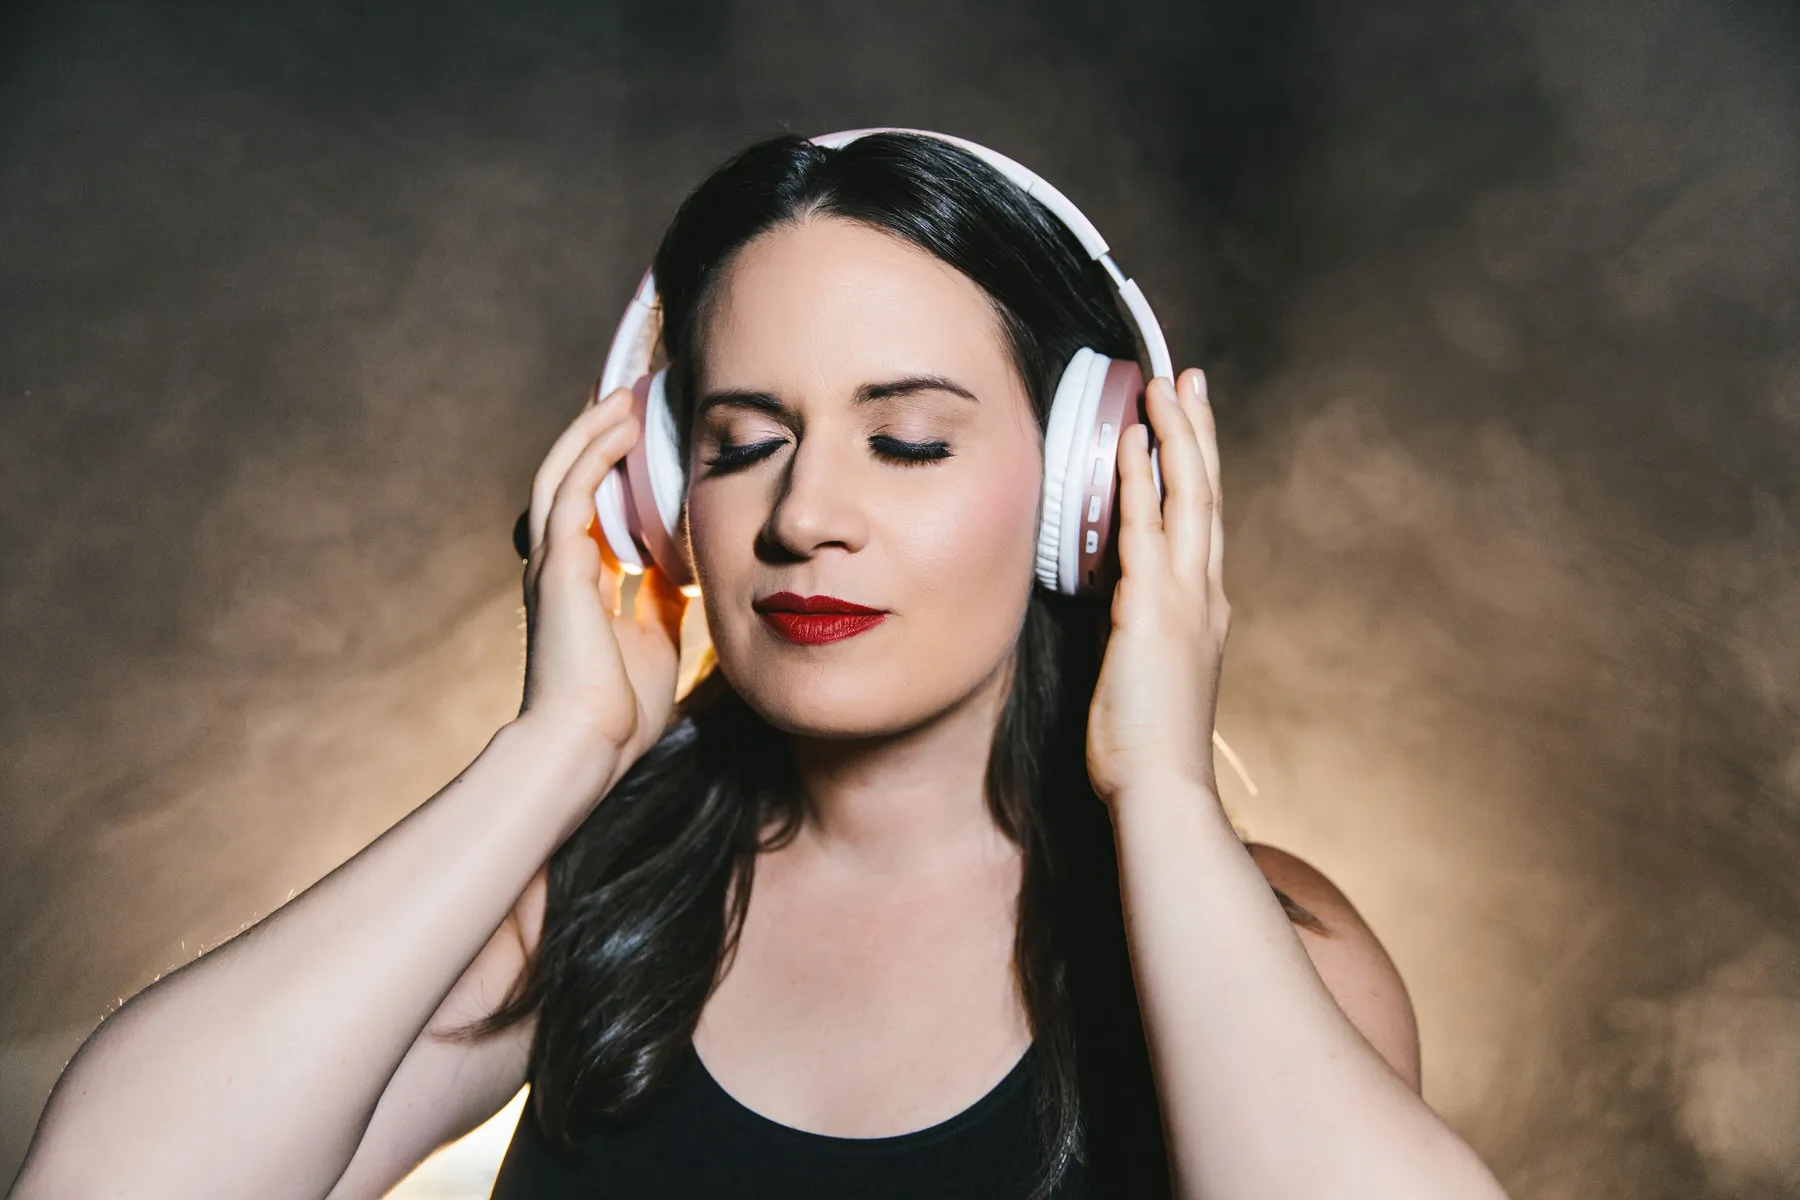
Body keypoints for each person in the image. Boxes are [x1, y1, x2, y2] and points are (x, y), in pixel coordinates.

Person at [8, 131, 1506, 1200]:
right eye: (740, 443)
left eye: (906, 440)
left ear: (1085, 489)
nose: (802, 517)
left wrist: (1165, 798)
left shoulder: (1265, 952)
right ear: (663, 495)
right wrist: (556, 751)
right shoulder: (603, 899)